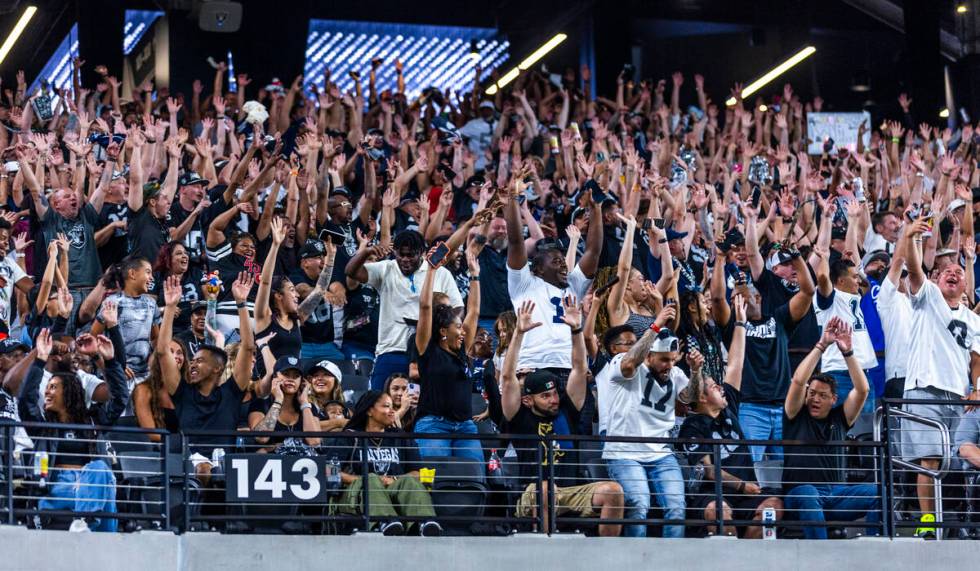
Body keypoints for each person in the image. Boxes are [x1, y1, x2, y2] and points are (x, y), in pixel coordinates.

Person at [501, 298, 624, 536]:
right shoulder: (519, 415)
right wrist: (518, 333)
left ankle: (610, 556)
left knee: (614, 491)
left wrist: (576, 330)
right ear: (528, 400)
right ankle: (550, 553)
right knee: (546, 489)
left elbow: (579, 368)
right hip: (530, 493)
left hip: (570, 492)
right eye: (545, 396)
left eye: (555, 393)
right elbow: (507, 379)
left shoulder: (566, 410)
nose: (554, 399)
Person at [900, 217, 980, 538]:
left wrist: (977, 388)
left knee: (953, 466)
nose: (953, 272)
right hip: (924, 389)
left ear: (965, 286)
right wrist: (909, 237)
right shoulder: (929, 298)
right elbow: (915, 269)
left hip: (959, 397)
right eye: (947, 270)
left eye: (959, 272)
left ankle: (958, 524)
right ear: (939, 279)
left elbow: (977, 361)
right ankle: (928, 521)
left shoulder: (974, 321)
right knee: (930, 462)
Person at [679, 294, 784, 538]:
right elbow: (709, 471)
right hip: (713, 494)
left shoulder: (729, 407)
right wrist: (741, 485)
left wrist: (740, 323)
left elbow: (736, 363)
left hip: (746, 493)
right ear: (702, 398)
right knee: (718, 510)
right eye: (714, 386)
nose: (720, 387)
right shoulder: (692, 426)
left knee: (773, 507)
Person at [709, 241, 815, 464]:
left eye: (741, 297)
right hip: (749, 407)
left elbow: (808, 290)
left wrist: (796, 256)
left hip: (783, 405)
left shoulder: (779, 319)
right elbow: (717, 298)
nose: (737, 303)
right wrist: (719, 258)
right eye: (734, 300)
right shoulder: (733, 326)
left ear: (758, 298)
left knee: (788, 470)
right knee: (752, 467)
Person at [595, 301, 692, 538]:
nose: (669, 365)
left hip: (661, 452)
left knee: (677, 508)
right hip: (624, 452)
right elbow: (630, 363)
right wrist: (655, 326)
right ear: (649, 355)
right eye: (663, 359)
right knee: (638, 506)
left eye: (672, 359)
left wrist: (696, 371)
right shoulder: (619, 363)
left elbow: (692, 400)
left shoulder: (675, 372)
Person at [18, 329, 128, 532]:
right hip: (56, 486)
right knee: (101, 474)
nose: (47, 393)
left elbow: (120, 398)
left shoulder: (93, 422)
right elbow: (26, 401)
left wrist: (109, 361)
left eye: (53, 387)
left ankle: (85, 521)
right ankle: (86, 521)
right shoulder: (44, 428)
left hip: (89, 485)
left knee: (99, 469)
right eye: (47, 387)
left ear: (69, 390)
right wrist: (40, 360)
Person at [782, 316, 880, 539]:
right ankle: (822, 557)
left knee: (879, 493)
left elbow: (862, 390)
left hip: (835, 494)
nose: (815, 399)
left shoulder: (840, 418)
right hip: (800, 493)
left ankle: (876, 547)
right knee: (808, 494)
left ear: (833, 400)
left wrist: (848, 352)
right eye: (812, 394)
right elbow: (798, 381)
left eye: (822, 396)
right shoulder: (795, 414)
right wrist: (822, 345)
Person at [157, 272, 255, 482]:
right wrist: (171, 307)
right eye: (193, 361)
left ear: (218, 369)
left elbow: (247, 348)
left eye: (200, 361)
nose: (192, 363)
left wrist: (241, 304)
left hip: (228, 469)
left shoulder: (231, 392)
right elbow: (163, 351)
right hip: (190, 468)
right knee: (203, 468)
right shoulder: (182, 393)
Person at [345, 230, 463, 390]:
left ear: (422, 252)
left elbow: (458, 308)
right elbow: (351, 271)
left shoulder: (440, 273)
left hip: (428, 351)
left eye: (411, 255)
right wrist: (366, 252)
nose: (405, 260)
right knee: (379, 400)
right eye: (401, 255)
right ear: (395, 252)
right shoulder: (386, 268)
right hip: (391, 349)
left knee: (422, 406)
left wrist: (438, 326)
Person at [333, 390, 442, 536]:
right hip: (357, 496)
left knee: (409, 481)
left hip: (392, 491)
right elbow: (329, 470)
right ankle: (385, 522)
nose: (392, 411)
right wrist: (366, 480)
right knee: (371, 479)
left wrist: (393, 480)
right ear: (370, 411)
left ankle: (423, 523)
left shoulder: (400, 437)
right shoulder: (350, 437)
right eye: (386, 406)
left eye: (392, 407)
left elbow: (418, 472)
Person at [412, 247, 483, 462]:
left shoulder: (462, 350)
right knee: (432, 479)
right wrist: (432, 270)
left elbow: (474, 312)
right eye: (458, 328)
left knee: (475, 477)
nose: (463, 332)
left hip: (465, 426)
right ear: (443, 331)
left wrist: (474, 276)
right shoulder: (427, 349)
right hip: (433, 424)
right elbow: (425, 307)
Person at [248, 356, 322, 452]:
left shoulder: (309, 408)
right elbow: (261, 438)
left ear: (302, 382)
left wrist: (304, 403)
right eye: (286, 374)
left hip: (301, 464)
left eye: (296, 376)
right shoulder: (260, 404)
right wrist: (278, 400)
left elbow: (314, 441)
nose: (291, 379)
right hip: (270, 463)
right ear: (275, 377)